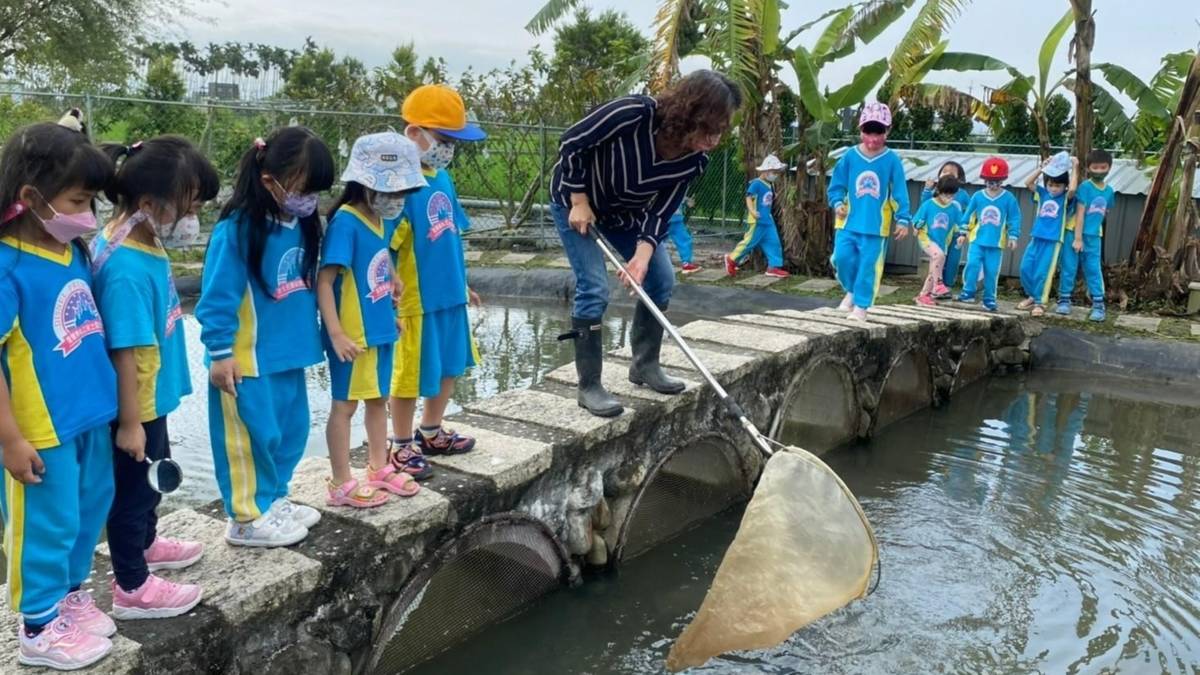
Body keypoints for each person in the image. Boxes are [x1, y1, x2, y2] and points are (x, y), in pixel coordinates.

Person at [549, 70, 742, 417]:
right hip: (576, 206)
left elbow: (663, 210)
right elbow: (571, 142)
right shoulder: (633, 114)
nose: (713, 141)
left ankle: (644, 364)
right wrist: (579, 200)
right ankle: (589, 386)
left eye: (720, 132)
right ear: (689, 113)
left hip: (625, 214)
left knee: (661, 279)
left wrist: (642, 254)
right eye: (708, 129)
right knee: (593, 286)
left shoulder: (694, 161)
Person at [0, 121, 118, 670]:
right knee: (44, 524)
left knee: (85, 510)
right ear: (30, 198)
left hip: (89, 413)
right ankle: (38, 624)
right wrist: (11, 440)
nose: (87, 214)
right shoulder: (7, 264)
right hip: (41, 427)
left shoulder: (70, 250)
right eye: (78, 200)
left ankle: (70, 597)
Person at [92, 137, 219, 621]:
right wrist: (130, 421)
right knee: (132, 492)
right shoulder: (125, 266)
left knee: (148, 483)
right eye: (189, 207)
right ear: (149, 204)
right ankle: (131, 587)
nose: (194, 218)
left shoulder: (142, 240)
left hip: (150, 397)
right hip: (135, 403)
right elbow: (126, 351)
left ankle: (146, 544)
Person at [195, 127, 334, 547]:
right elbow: (217, 297)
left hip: (288, 353)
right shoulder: (238, 230)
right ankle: (245, 517)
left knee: (288, 433)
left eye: (316, 191)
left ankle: (273, 499)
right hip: (245, 360)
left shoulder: (301, 223)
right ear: (268, 178)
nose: (309, 198)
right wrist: (220, 353)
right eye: (302, 188)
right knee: (248, 439)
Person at [320, 132, 424, 507]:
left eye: (401, 192)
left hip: (379, 331)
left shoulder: (381, 221)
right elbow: (327, 279)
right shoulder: (346, 222)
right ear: (362, 184)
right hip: (352, 336)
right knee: (345, 406)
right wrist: (336, 334)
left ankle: (378, 467)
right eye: (389, 190)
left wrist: (391, 309)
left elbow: (377, 271)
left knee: (378, 399)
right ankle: (340, 481)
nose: (396, 199)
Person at [387, 84, 486, 478]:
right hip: (416, 298)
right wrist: (388, 286)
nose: (448, 149)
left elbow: (450, 235)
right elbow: (387, 243)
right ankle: (400, 444)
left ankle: (431, 430)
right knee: (410, 372)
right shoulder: (399, 183)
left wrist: (463, 284)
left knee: (449, 365)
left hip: (449, 295)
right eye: (444, 139)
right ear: (415, 134)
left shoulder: (441, 178)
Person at [828, 102, 911, 320]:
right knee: (841, 260)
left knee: (868, 267)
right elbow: (836, 186)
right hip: (847, 224)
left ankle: (861, 306)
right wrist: (837, 203)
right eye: (868, 132)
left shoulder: (892, 160)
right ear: (860, 129)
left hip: (875, 227)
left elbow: (899, 193)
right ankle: (852, 290)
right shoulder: (849, 156)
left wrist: (903, 220)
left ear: (887, 130)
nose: (873, 139)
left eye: (879, 132)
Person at [957, 157, 1022, 312]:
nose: (992, 185)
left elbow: (1014, 218)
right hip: (977, 240)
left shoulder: (1008, 198)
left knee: (992, 271)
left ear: (1003, 181)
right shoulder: (978, 196)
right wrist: (963, 232)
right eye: (989, 182)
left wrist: (1013, 236)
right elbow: (969, 215)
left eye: (996, 182)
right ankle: (968, 292)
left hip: (996, 244)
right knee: (972, 265)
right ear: (984, 180)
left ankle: (989, 298)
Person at [1018, 151, 1078, 317]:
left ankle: (1040, 302)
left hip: (1053, 240)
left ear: (1063, 186)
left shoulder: (1065, 197)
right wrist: (1042, 167)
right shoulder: (1043, 194)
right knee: (1025, 268)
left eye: (1057, 185)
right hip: (1036, 237)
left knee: (1042, 272)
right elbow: (1028, 182)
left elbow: (1073, 188)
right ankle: (1032, 295)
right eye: (1051, 184)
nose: (1053, 188)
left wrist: (1075, 167)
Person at [1058, 149, 1114, 321]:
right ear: (1089, 168)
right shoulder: (1085, 188)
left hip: (1093, 236)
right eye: (1095, 168)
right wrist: (1077, 238)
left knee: (1093, 269)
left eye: (1102, 167)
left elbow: (1106, 211)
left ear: (1109, 168)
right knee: (1069, 267)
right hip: (1074, 233)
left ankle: (1098, 305)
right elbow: (1080, 213)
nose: (1099, 171)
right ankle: (1064, 300)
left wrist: (1092, 232)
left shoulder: (1109, 191)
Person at [724, 154, 789, 279]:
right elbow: (749, 197)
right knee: (749, 242)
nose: (776, 174)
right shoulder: (756, 184)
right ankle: (731, 259)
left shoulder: (770, 185)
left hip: (767, 220)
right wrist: (752, 211)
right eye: (774, 172)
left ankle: (774, 267)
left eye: (777, 172)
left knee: (774, 243)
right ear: (765, 171)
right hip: (757, 220)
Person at [921, 160, 970, 294]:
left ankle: (947, 285)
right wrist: (927, 190)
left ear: (959, 179)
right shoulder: (936, 192)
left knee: (953, 260)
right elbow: (924, 206)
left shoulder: (962, 194)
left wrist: (964, 229)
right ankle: (934, 286)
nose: (947, 174)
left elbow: (970, 210)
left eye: (951, 173)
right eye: (944, 171)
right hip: (938, 234)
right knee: (937, 258)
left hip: (955, 235)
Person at [912, 175, 962, 307]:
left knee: (934, 268)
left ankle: (923, 296)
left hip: (942, 243)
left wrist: (962, 235)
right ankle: (938, 284)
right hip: (926, 238)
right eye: (946, 195)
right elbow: (916, 220)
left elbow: (960, 225)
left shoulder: (954, 208)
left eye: (952, 196)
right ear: (939, 191)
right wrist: (916, 226)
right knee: (938, 256)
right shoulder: (929, 204)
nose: (949, 199)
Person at [668, 197, 701, 274]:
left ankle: (687, 264)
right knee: (660, 242)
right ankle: (686, 263)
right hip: (666, 216)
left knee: (685, 239)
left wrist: (686, 200)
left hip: (675, 217)